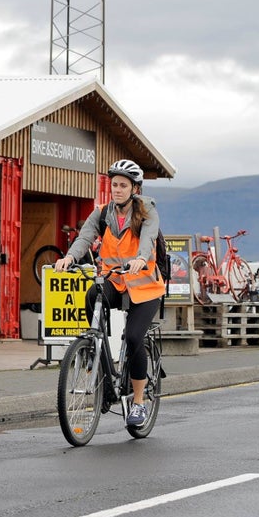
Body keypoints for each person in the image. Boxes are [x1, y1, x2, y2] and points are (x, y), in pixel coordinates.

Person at [53, 159, 166, 427]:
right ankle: (98, 353)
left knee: (135, 337)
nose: (117, 189)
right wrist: (69, 258)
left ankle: (138, 402)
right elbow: (85, 238)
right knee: (92, 294)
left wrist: (140, 259)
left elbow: (149, 239)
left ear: (134, 188)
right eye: (114, 184)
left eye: (123, 185)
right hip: (115, 280)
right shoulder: (102, 214)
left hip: (145, 285)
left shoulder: (147, 211)